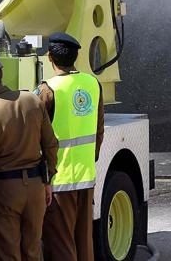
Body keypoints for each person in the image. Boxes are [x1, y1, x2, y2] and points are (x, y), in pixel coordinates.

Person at [0, 55, 58, 261]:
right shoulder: (32, 101)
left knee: (7, 254)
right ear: (1, 75)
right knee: (33, 252)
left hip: (4, 192)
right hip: (35, 186)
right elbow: (51, 144)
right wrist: (47, 180)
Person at [35, 32, 105, 261]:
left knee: (60, 244)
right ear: (75, 57)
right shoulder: (93, 84)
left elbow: (36, 137)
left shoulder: (47, 90)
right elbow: (99, 130)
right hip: (86, 177)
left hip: (58, 182)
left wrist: (43, 176)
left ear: (49, 57)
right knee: (84, 243)